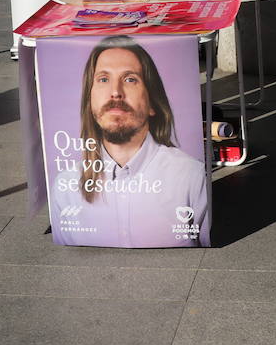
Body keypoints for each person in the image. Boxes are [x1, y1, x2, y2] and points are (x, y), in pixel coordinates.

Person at [49, 36, 209, 247]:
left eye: (130, 79)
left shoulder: (191, 176)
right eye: (103, 79)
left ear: (152, 103)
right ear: (90, 101)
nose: (115, 92)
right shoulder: (65, 187)